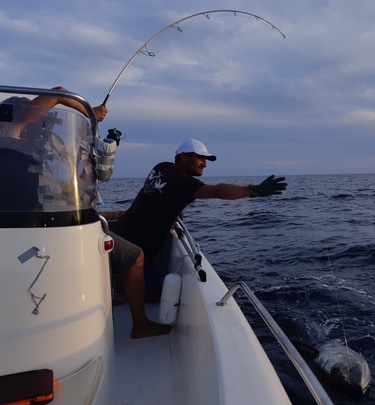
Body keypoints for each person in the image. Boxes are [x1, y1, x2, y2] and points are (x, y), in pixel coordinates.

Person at [1, 87, 170, 338]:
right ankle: (140, 324)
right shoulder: (10, 136)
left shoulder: (26, 154)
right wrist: (92, 114)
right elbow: (58, 92)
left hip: (27, 235)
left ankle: (106, 297)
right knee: (136, 258)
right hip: (54, 232)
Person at [114, 138, 288, 293]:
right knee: (152, 295)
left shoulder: (162, 167)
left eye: (206, 159)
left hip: (123, 235)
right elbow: (217, 191)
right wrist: (254, 191)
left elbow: (163, 198)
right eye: (200, 158)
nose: (204, 163)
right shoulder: (184, 182)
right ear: (184, 157)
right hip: (134, 249)